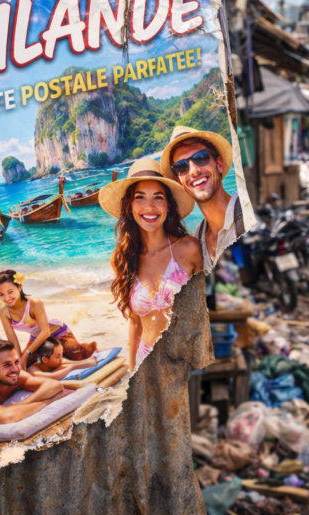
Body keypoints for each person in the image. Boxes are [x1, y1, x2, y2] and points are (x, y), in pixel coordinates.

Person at [99, 158, 203, 372]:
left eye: (158, 197)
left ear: (168, 206)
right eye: (140, 198)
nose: (149, 206)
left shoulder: (188, 249)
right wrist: (132, 369)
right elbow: (135, 322)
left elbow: (204, 310)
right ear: (129, 206)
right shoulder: (122, 258)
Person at [160, 125, 254, 273]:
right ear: (179, 182)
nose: (193, 171)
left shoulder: (249, 212)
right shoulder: (198, 238)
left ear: (219, 164)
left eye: (200, 157)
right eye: (181, 167)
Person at [0, 269, 96, 370]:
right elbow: (12, 339)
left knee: (78, 356)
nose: (6, 298)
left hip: (58, 333)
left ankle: (90, 345)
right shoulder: (3, 312)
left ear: (19, 287)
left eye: (10, 292)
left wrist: (26, 355)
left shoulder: (34, 303)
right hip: (37, 339)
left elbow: (45, 332)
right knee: (25, 365)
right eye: (1, 294)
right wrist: (18, 360)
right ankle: (57, 354)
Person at [27, 336, 99, 381]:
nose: (61, 358)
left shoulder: (52, 362)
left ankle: (88, 355)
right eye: (58, 356)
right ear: (45, 359)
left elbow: (64, 361)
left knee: (62, 363)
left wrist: (77, 364)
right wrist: (72, 367)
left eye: (61, 355)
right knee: (61, 366)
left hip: (51, 366)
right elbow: (53, 377)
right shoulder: (33, 371)